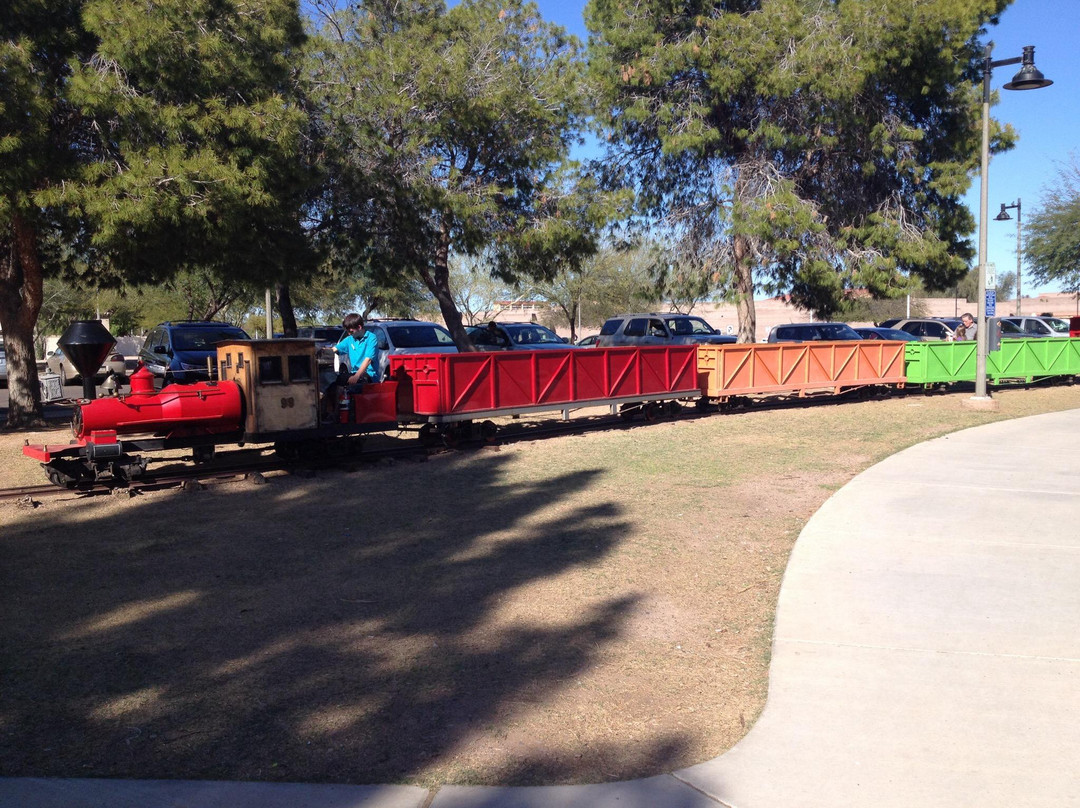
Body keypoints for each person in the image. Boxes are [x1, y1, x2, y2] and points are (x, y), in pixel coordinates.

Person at [321, 313, 379, 422]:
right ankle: (329, 415)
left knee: (349, 386)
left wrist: (357, 376)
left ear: (359, 327)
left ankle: (343, 416)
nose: (348, 333)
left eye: (351, 331)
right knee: (332, 384)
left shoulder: (371, 338)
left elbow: (368, 360)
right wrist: (321, 351)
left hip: (368, 375)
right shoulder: (349, 339)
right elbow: (335, 350)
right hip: (353, 373)